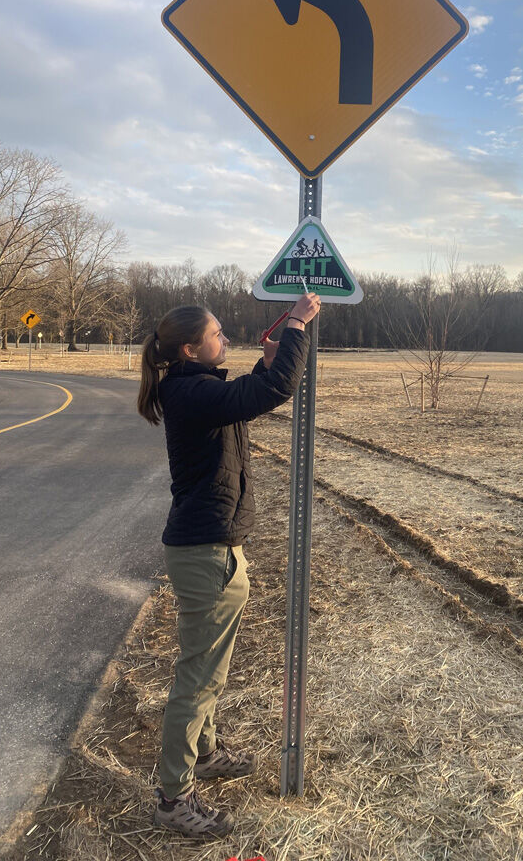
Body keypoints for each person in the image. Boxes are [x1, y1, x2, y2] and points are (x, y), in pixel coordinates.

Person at [137, 292, 320, 837]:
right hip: (204, 551)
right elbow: (272, 390)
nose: (226, 340)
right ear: (191, 349)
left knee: (210, 670)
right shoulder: (189, 392)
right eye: (218, 335)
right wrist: (298, 328)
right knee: (196, 679)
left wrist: (270, 358)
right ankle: (173, 797)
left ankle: (206, 752)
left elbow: (249, 391)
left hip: (217, 547)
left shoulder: (197, 388)